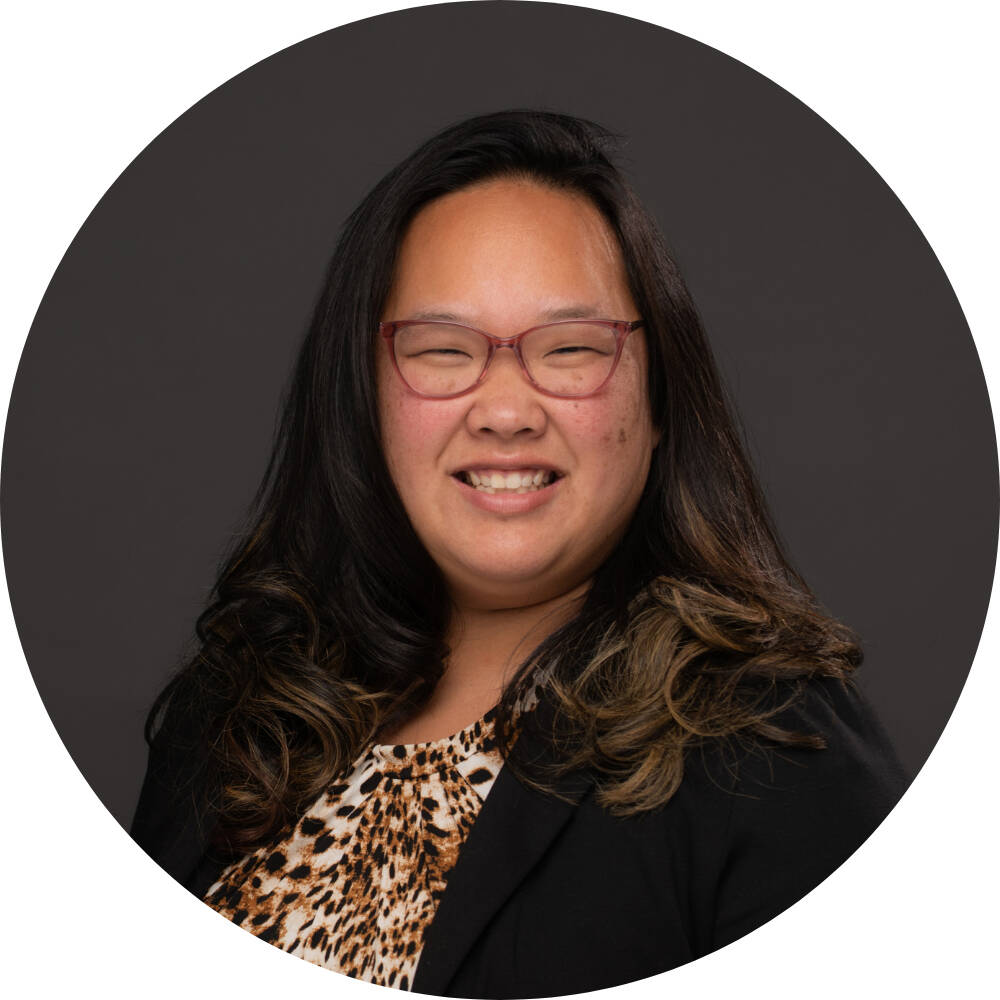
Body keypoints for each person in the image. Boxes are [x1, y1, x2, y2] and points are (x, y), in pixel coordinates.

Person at [131, 110, 908, 998]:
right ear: (362, 398)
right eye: (441, 350)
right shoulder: (240, 715)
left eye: (570, 349)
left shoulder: (777, 748)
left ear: (659, 402)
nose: (504, 411)